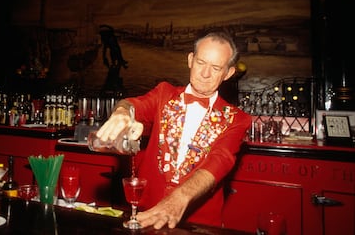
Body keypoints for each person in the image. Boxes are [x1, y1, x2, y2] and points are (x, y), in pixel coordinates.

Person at [96, 31, 252, 229]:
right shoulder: (164, 93)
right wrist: (122, 112)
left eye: (215, 68)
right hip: (147, 219)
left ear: (228, 73)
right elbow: (135, 105)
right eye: (201, 63)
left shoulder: (237, 119)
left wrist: (179, 198)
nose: (205, 73)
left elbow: (219, 161)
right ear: (190, 60)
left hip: (199, 226)